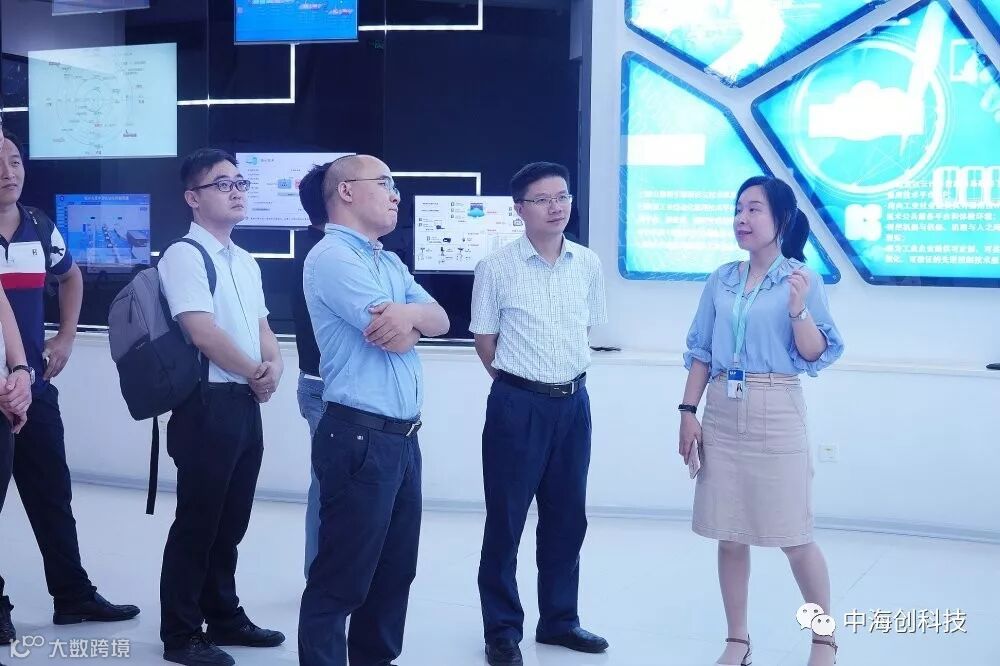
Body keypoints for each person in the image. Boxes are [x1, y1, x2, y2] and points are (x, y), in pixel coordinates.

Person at [677, 175, 844, 666]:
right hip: (722, 409)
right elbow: (701, 351)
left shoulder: (800, 279)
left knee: (795, 536)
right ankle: (738, 640)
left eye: (754, 210)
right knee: (729, 533)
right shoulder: (721, 279)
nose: (741, 219)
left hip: (777, 406)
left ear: (781, 220)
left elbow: (814, 353)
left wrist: (797, 311)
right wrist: (687, 412)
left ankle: (823, 639)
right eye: (738, 209)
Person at [298, 154, 450, 666]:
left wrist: (410, 315)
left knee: (393, 574)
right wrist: (412, 319)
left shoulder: (387, 261)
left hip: (402, 438)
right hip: (358, 436)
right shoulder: (332, 257)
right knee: (341, 578)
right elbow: (392, 336)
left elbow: (441, 319)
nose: (395, 194)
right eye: (384, 183)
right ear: (345, 191)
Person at [0, 129, 139, 646]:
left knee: (52, 495)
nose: (8, 173)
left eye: (14, 161)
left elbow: (71, 276)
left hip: (33, 385)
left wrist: (65, 336)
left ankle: (73, 594)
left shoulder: (38, 225)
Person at [470, 161, 609, 666]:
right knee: (506, 521)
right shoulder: (495, 267)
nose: (557, 207)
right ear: (519, 209)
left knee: (568, 518)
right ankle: (502, 630)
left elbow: (585, 329)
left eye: (563, 196)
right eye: (543, 199)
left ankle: (559, 620)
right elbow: (485, 340)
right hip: (517, 406)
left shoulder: (587, 263)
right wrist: (520, 387)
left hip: (573, 404)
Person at [157, 148, 285, 666]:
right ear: (193, 198)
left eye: (240, 183)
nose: (236, 191)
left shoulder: (245, 260)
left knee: (231, 520)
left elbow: (262, 327)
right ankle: (181, 632)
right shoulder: (184, 255)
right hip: (206, 405)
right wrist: (256, 372)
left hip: (243, 403)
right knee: (198, 521)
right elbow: (201, 332)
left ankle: (224, 615)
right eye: (222, 184)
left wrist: (272, 367)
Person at [293, 162, 331, 577]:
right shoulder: (323, 256)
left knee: (328, 484)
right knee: (329, 486)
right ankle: (322, 579)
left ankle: (324, 576)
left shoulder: (314, 248)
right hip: (325, 387)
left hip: (323, 383)